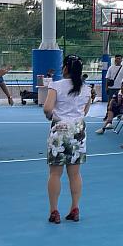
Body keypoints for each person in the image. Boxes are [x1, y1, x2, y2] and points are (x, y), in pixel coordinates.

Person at [43, 54, 92, 224]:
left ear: (65, 68)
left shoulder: (55, 85)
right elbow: (85, 111)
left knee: (55, 173)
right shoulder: (86, 89)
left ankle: (54, 211)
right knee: (75, 173)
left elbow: (48, 108)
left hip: (60, 128)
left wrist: (51, 116)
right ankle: (75, 208)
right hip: (78, 130)